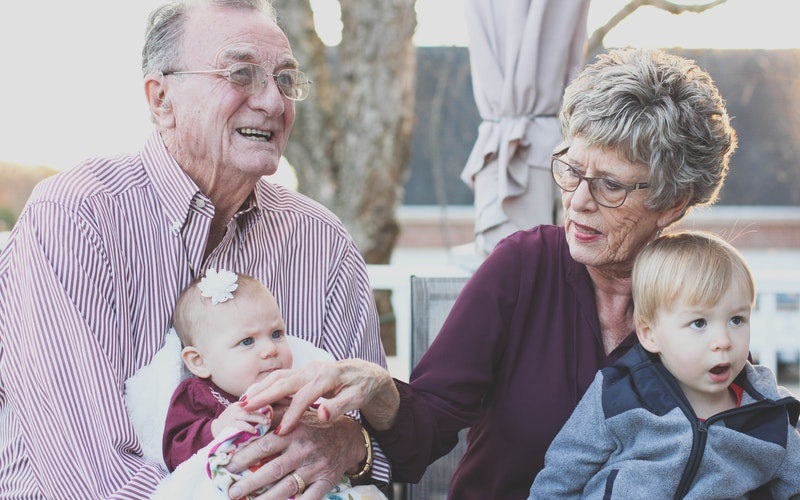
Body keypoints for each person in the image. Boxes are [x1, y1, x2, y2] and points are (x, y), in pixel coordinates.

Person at [236, 47, 740, 499]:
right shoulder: (523, 267)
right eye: (571, 169)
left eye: (610, 185)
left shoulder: (705, 296)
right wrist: (380, 387)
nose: (578, 202)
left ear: (672, 204)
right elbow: (421, 436)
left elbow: (739, 445)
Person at [0, 1, 389, 498]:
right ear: (162, 99)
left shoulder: (322, 240)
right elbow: (88, 475)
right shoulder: (77, 217)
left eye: (286, 80)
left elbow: (373, 447)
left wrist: (351, 443)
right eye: (242, 73)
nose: (273, 102)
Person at [529, 231, 800, 498]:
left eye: (737, 320)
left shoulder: (769, 416)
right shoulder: (620, 395)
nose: (723, 340)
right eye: (699, 323)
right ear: (649, 334)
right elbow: (560, 478)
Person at [163, 269, 292, 472]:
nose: (271, 349)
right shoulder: (199, 394)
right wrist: (216, 428)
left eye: (277, 333)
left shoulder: (293, 388)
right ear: (199, 362)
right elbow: (174, 453)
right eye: (247, 341)